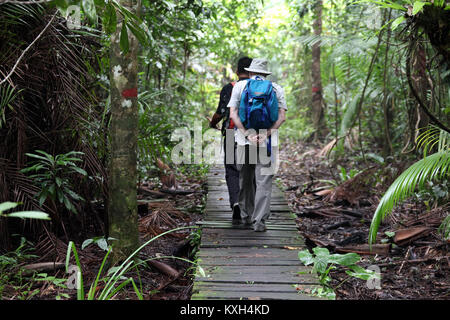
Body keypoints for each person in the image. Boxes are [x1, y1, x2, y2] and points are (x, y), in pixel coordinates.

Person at [227, 58, 287, 232]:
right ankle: (259, 221)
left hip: (244, 140)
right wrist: (266, 134)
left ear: (251, 72)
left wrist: (248, 134)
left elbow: (233, 114)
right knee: (263, 182)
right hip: (267, 142)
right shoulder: (276, 88)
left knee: (245, 178)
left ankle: (246, 216)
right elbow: (281, 117)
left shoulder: (240, 87)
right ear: (265, 73)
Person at [209, 56, 253, 225]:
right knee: (249, 170)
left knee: (232, 168)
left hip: (230, 132)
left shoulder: (229, 88)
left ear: (237, 71)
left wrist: (213, 123)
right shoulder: (257, 88)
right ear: (251, 71)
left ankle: (235, 201)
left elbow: (220, 112)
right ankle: (248, 207)